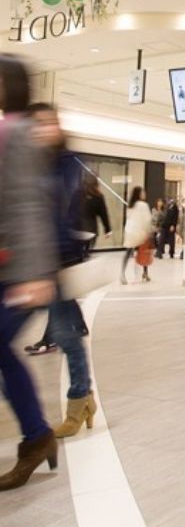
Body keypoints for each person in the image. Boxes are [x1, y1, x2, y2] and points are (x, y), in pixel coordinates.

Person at [0, 55, 58, 490]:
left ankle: (37, 436)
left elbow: (28, 204)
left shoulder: (18, 132)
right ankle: (37, 435)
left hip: (23, 270)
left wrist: (37, 273)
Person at [27, 102, 97, 438]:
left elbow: (63, 213)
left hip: (56, 262)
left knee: (66, 336)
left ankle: (79, 401)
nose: (42, 129)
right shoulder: (31, 162)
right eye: (36, 124)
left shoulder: (67, 163)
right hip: (31, 263)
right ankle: (83, 400)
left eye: (48, 122)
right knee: (65, 332)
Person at [122, 187, 153, 284]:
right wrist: (149, 232)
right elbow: (148, 220)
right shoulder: (143, 205)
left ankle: (122, 273)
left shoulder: (130, 205)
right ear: (139, 194)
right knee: (144, 252)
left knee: (128, 253)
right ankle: (145, 273)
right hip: (140, 232)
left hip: (130, 232)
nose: (144, 194)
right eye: (143, 192)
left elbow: (128, 218)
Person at [81, 174, 111, 250]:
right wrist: (107, 230)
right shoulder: (98, 197)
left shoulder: (77, 194)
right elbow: (104, 215)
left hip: (77, 229)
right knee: (86, 251)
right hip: (90, 231)